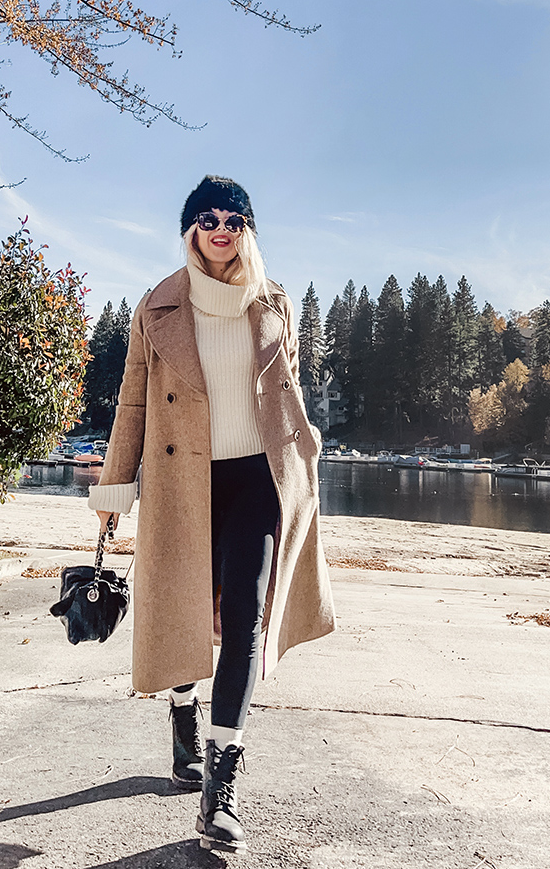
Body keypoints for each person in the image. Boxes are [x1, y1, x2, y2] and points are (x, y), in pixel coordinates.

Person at [87, 175, 335, 853]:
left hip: (258, 477)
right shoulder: (159, 305)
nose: (219, 228)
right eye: (206, 217)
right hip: (181, 479)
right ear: (190, 227)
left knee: (246, 617)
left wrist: (307, 448)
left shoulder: (273, 301)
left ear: (248, 228)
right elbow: (133, 403)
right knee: (186, 609)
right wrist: (114, 490)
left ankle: (220, 790)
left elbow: (287, 390)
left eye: (232, 218)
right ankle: (183, 714)